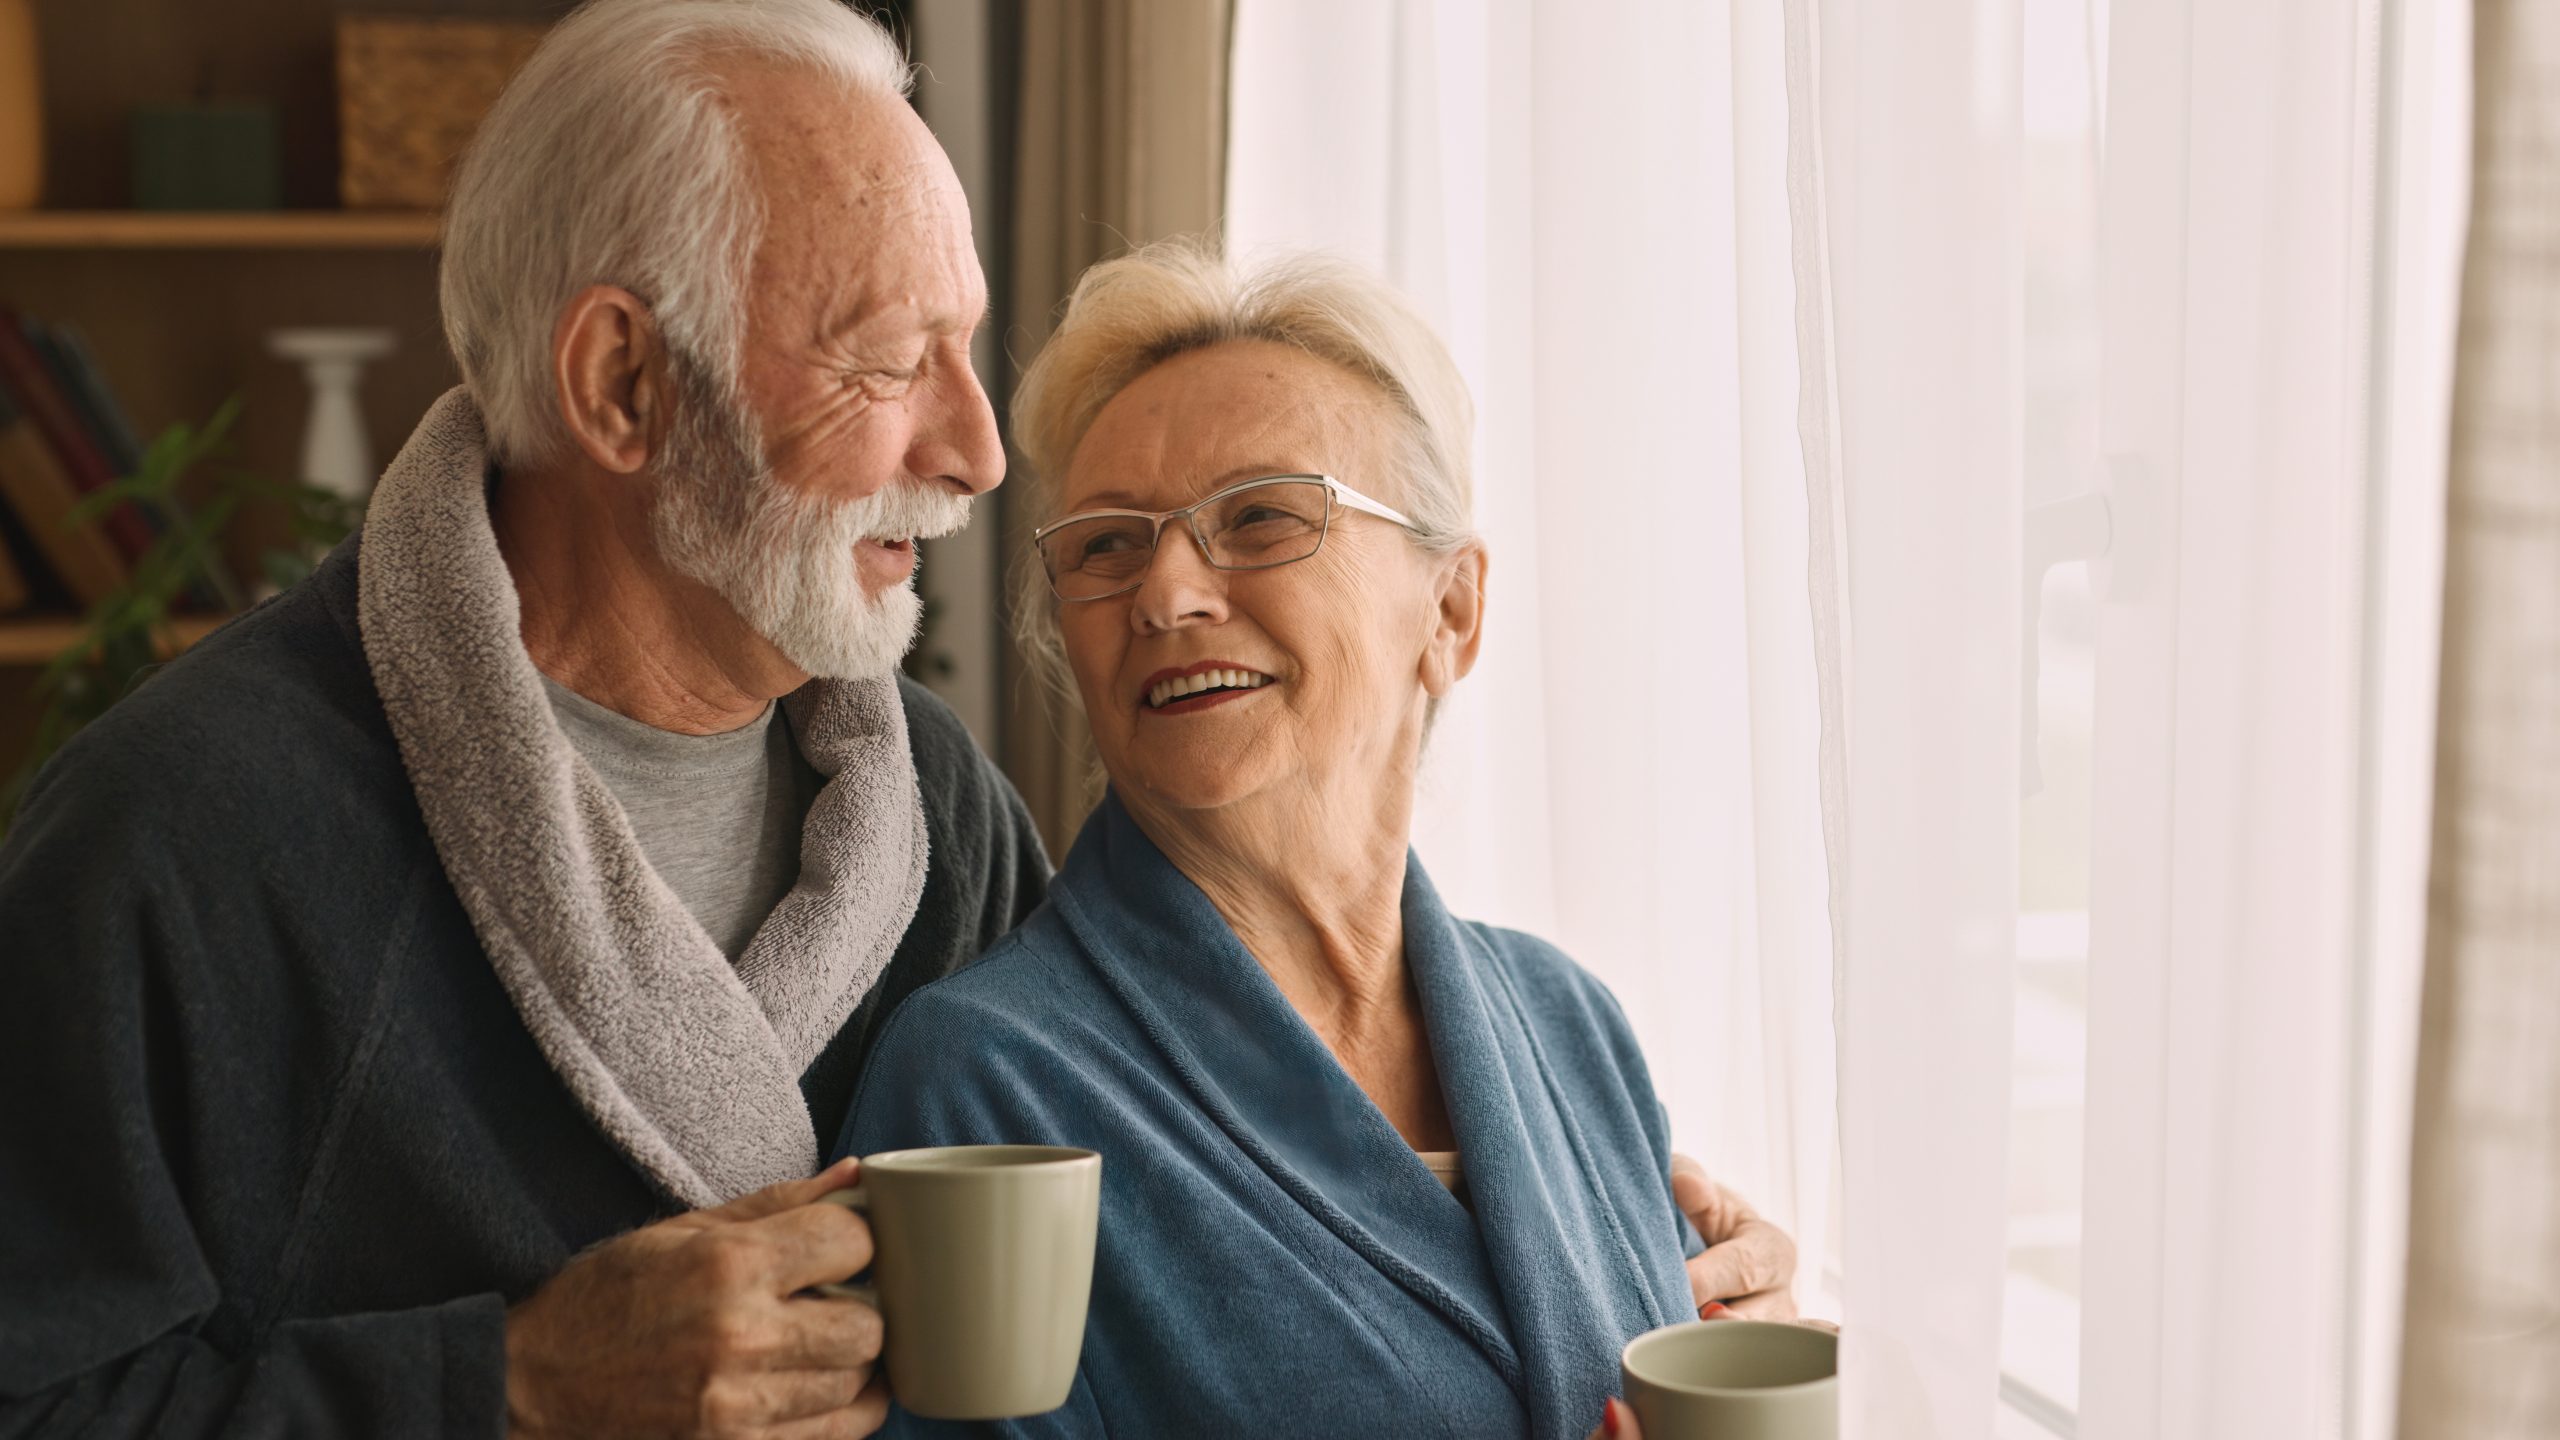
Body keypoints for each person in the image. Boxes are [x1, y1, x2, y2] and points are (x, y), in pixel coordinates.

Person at [0, 2, 1046, 1435]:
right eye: (885, 358)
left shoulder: (945, 816)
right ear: (624, 383)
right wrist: (512, 1386)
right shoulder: (175, 835)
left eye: (967, 349)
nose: (978, 451)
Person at [842, 242, 1803, 1440]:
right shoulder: (985, 1091)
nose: (1166, 593)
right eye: (1106, 544)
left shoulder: (1569, 1026)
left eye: (1258, 518)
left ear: (1450, 613)